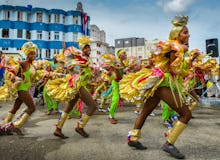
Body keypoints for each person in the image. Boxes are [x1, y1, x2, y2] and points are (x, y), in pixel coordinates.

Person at [120, 15, 192, 159]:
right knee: (186, 114)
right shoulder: (176, 48)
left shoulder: (172, 47)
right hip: (164, 85)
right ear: (177, 34)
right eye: (185, 32)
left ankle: (133, 138)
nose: (188, 35)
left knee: (145, 112)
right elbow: (175, 70)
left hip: (158, 84)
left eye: (188, 32)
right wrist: (186, 68)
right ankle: (169, 143)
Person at [46, 36, 97, 139]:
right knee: (92, 106)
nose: (89, 50)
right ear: (82, 49)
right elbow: (70, 61)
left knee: (69, 107)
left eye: (89, 48)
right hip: (78, 85)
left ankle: (58, 129)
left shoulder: (87, 59)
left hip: (79, 85)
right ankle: (80, 127)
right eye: (86, 48)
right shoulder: (81, 59)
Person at [3, 42, 37, 135]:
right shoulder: (24, 63)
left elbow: (35, 77)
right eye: (31, 53)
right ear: (27, 54)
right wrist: (13, 76)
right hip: (22, 88)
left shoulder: (33, 66)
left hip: (26, 88)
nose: (33, 55)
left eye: (34, 53)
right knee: (32, 108)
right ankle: (15, 126)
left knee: (15, 107)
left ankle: (4, 127)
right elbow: (12, 69)